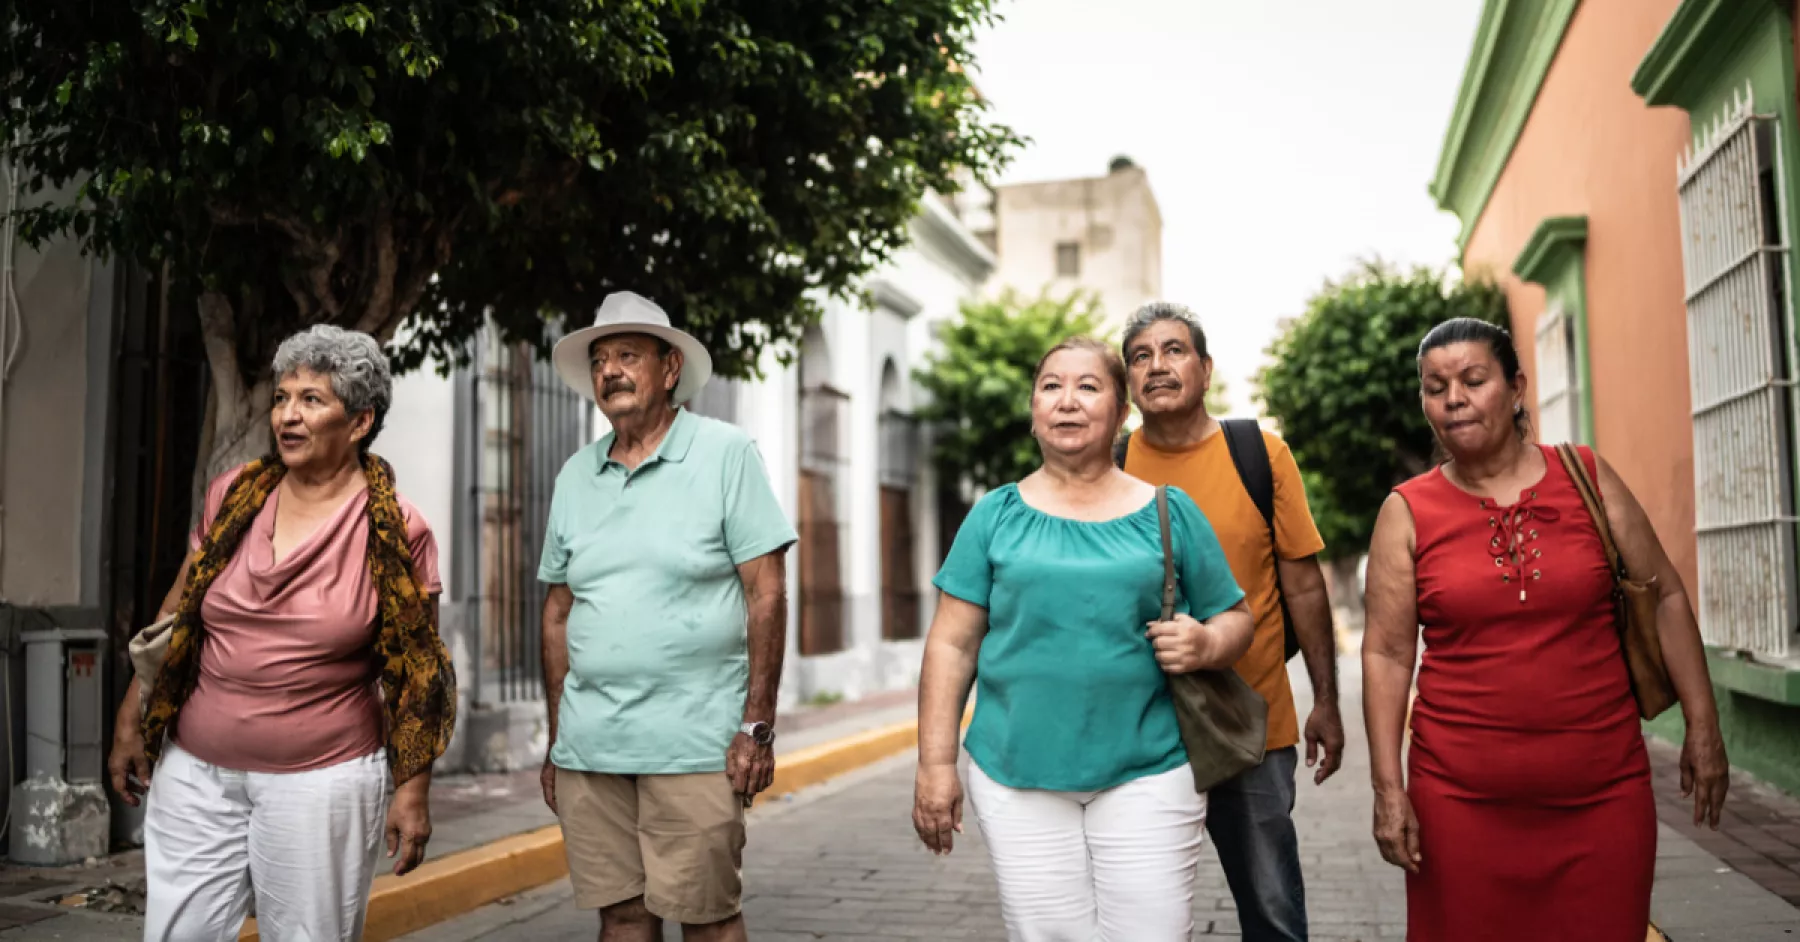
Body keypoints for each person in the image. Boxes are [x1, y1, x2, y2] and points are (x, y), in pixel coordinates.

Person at [1362, 317, 1731, 941]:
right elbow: (1388, 654)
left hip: (1603, 796)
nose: (1453, 398)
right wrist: (1387, 789)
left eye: (1473, 380)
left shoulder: (1585, 474)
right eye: (1434, 386)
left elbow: (1665, 594)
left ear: (1516, 388)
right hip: (1459, 804)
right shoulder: (1407, 512)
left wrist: (1704, 724)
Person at [106, 325, 456, 941]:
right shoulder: (234, 495)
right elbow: (180, 609)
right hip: (196, 772)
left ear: (359, 422)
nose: (288, 415)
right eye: (282, 397)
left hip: (321, 784)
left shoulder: (397, 530)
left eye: (312, 400)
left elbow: (419, 678)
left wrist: (413, 791)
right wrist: (132, 714)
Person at [912, 335, 1254, 942]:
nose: (1067, 402)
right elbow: (952, 645)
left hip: (1150, 768)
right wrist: (935, 765)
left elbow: (1236, 618)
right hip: (1015, 773)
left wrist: (1205, 643)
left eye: (1088, 387)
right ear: (1034, 409)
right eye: (1052, 387)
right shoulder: (994, 516)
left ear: (1121, 412)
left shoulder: (1169, 512)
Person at [536, 291, 795, 942]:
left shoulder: (726, 454)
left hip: (696, 747)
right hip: (592, 751)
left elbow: (766, 591)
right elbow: (558, 614)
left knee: (708, 921)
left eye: (628, 355)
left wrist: (757, 724)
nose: (610, 371)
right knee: (621, 919)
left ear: (670, 368)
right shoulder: (575, 476)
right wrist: (557, 739)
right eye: (599, 360)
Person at [1115, 301, 1340, 942]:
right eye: (1140, 356)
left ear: (1206, 369)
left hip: (1252, 727)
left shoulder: (1258, 453)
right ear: (1129, 381)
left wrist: (1326, 700)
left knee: (1272, 912)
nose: (1156, 366)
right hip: (1139, 734)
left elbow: (1303, 584)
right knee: (1139, 916)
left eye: (1173, 350)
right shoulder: (1108, 463)